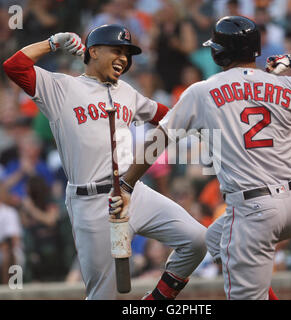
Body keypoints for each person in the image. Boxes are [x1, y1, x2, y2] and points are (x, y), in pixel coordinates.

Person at [111, 16, 291, 300]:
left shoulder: (202, 91)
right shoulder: (288, 85)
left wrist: (127, 183)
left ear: (220, 52)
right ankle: (158, 301)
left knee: (243, 275)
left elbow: (158, 141)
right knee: (215, 239)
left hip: (253, 211)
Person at [3, 24, 207, 300]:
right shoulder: (62, 87)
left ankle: (157, 300)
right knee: (103, 295)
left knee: (197, 240)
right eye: (117, 50)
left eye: (127, 53)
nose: (123, 58)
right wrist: (53, 42)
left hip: (131, 191)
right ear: (93, 51)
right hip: (91, 203)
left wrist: (203, 124)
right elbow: (15, 67)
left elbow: (167, 116)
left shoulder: (127, 92)